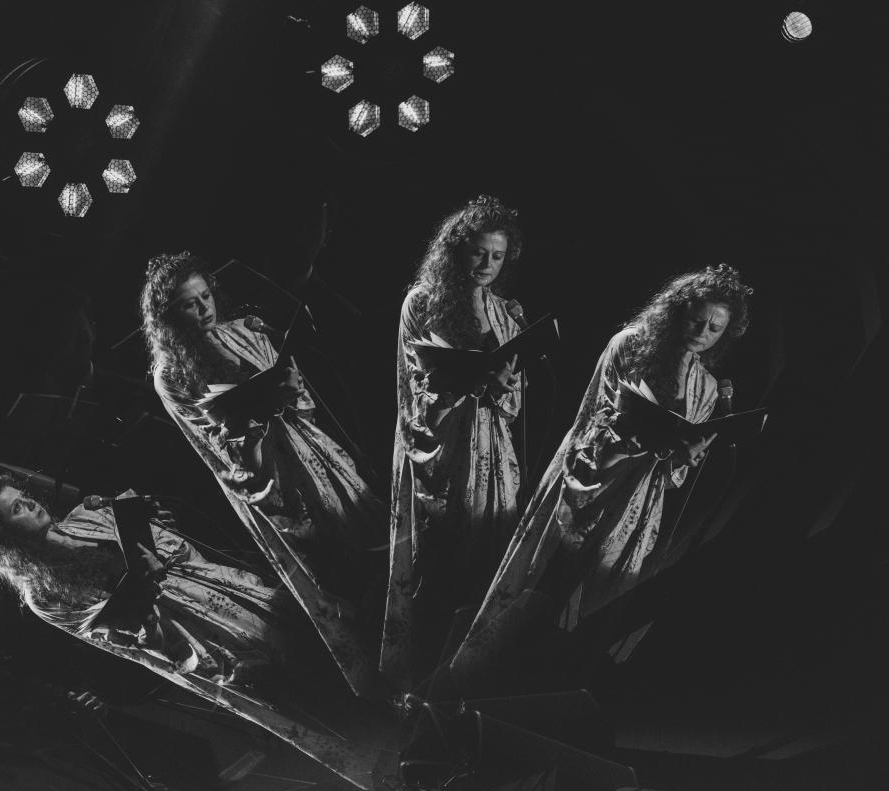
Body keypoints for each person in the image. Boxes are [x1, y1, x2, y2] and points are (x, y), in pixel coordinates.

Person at [0, 474, 380, 789]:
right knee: (288, 682)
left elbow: (176, 550)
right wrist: (143, 582)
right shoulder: (43, 594)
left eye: (24, 496)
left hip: (217, 586)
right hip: (190, 633)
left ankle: (385, 697)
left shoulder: (86, 514)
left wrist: (159, 529)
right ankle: (375, 748)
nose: (30, 504)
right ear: (7, 539)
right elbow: (116, 632)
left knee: (315, 637)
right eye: (17, 509)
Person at [451, 264, 753, 682]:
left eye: (715, 328)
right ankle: (483, 682)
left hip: (636, 503)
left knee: (592, 608)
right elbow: (592, 418)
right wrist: (633, 436)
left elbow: (674, 473)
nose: (703, 332)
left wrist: (684, 456)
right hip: (587, 481)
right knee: (539, 587)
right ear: (678, 311)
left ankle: (546, 688)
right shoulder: (629, 346)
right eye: (696, 320)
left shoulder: (707, 387)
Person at [141, 252, 387, 698]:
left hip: (312, 452)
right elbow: (214, 445)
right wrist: (255, 414)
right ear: (169, 317)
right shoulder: (171, 374)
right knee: (328, 570)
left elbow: (305, 404)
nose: (204, 308)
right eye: (189, 304)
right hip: (267, 477)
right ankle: (375, 676)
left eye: (206, 296)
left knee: (366, 539)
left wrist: (291, 393)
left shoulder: (245, 331)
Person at [381, 195, 526, 691]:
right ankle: (421, 681)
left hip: (491, 449)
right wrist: (460, 385)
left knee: (485, 560)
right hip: (441, 446)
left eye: (497, 255)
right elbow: (411, 385)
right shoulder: (423, 302)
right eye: (478, 252)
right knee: (437, 561)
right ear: (456, 249)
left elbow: (515, 403)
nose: (487, 264)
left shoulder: (504, 313)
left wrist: (503, 385)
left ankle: (468, 682)